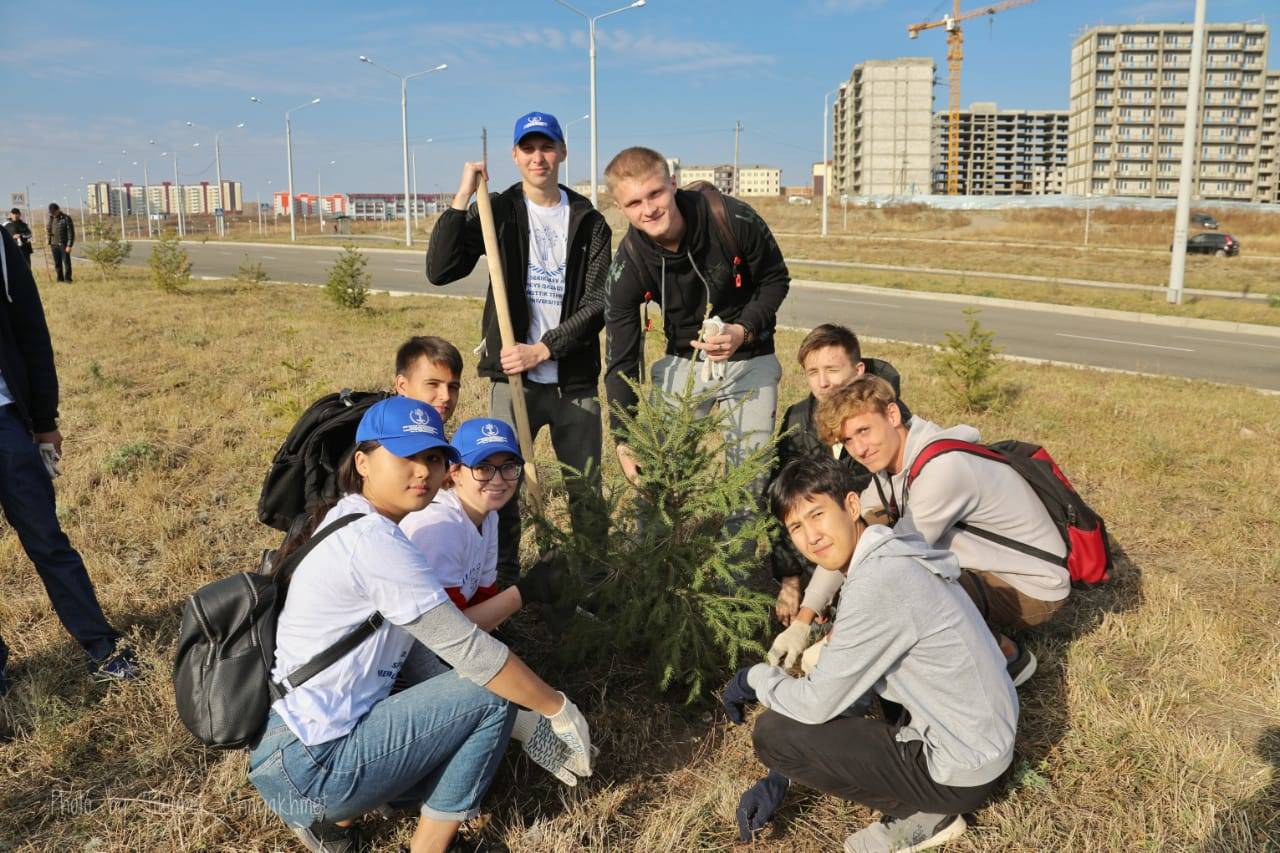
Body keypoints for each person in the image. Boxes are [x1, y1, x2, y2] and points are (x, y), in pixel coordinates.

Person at [248, 397, 593, 853]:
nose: (422, 471)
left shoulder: (358, 519)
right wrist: (554, 708)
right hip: (309, 760)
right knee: (491, 691)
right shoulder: (375, 541)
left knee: (488, 697)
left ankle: (340, 823)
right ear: (363, 462)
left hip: (299, 748)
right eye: (406, 455)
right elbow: (469, 650)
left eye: (432, 457)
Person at [721, 457, 1017, 852]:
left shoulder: (879, 583)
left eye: (818, 515)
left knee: (774, 733)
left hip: (963, 770)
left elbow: (817, 705)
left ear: (852, 506)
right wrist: (781, 777)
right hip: (985, 738)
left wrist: (753, 679)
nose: (812, 536)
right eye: (796, 527)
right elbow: (850, 685)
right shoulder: (888, 551)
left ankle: (924, 814)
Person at [426, 112, 612, 586]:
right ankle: (504, 578)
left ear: (562, 152)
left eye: (546, 147)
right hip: (513, 381)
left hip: (572, 380)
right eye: (528, 149)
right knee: (499, 484)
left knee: (584, 489)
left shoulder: (589, 221)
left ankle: (592, 582)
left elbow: (599, 304)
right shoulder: (500, 210)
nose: (538, 157)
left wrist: (545, 348)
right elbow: (441, 268)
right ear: (515, 156)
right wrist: (464, 194)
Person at [814, 374, 1070, 686]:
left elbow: (894, 565)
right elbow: (851, 533)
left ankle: (1006, 656)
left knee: (912, 584)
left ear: (892, 415)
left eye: (863, 431)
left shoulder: (943, 469)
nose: (859, 449)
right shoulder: (890, 468)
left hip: (1035, 586)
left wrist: (838, 637)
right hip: (992, 569)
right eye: (848, 441)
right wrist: (806, 613)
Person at [602, 146, 790, 524]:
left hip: (750, 354)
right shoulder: (629, 264)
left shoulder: (732, 217)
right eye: (635, 202)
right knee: (655, 471)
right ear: (621, 208)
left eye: (655, 193)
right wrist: (624, 438)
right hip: (682, 360)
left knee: (748, 479)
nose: (649, 209)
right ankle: (651, 573)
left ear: (672, 184)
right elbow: (620, 357)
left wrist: (743, 329)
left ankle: (733, 575)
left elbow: (775, 279)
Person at [0, 228, 137, 697]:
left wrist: (44, 419)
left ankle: (102, 648)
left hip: (7, 424)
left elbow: (31, 333)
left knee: (47, 540)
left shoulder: (0, 244)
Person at [767, 323, 912, 626]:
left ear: (859, 370)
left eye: (832, 370)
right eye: (812, 373)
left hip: (880, 543)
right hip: (822, 546)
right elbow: (782, 499)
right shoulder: (797, 420)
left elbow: (894, 512)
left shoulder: (884, 416)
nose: (823, 383)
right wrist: (791, 579)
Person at [393, 335, 464, 425]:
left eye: (452, 387)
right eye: (433, 384)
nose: (446, 397)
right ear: (402, 386)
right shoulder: (377, 437)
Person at [46, 203, 74, 283]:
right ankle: (60, 279)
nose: (53, 214)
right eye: (51, 213)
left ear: (58, 209)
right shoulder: (51, 218)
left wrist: (69, 245)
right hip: (53, 244)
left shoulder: (66, 218)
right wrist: (48, 231)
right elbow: (49, 229)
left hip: (63, 244)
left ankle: (68, 279)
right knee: (57, 263)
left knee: (66, 262)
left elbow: (71, 232)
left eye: (54, 212)